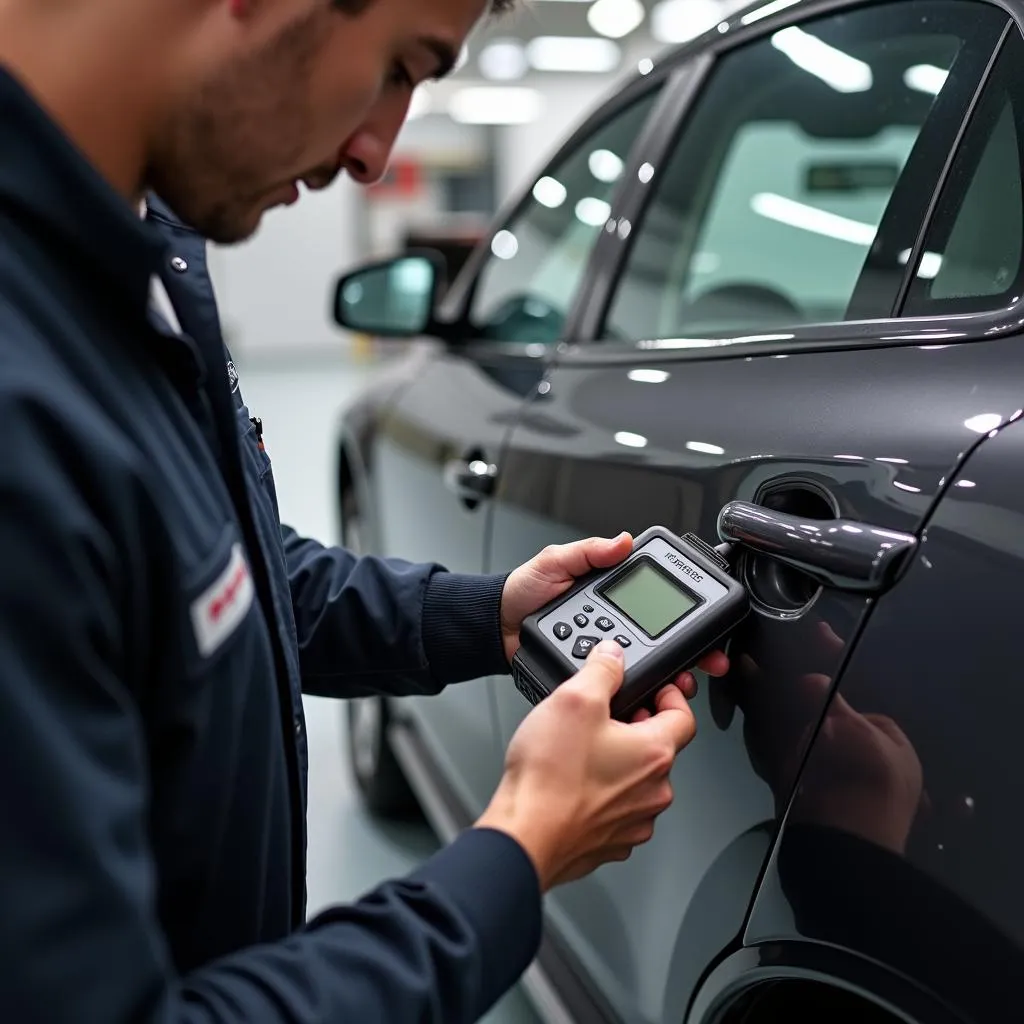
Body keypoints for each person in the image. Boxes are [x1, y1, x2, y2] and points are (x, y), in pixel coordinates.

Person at [0, 1, 728, 1022]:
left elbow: (219, 585)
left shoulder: (145, 262)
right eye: (400, 64)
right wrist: (512, 856)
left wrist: (491, 616)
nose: (376, 154)